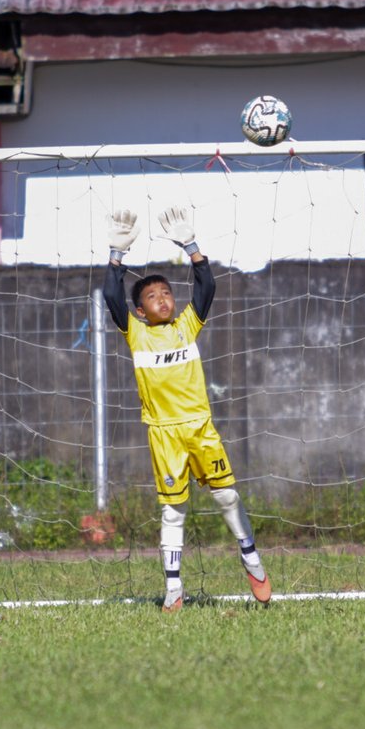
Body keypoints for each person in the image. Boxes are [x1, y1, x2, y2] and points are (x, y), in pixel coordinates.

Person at [104, 207, 270, 612]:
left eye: (166, 293)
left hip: (200, 427)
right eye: (152, 296)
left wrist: (193, 249)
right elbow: (112, 296)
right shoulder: (136, 333)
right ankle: (174, 589)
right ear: (140, 310)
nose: (162, 300)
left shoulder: (186, 326)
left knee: (227, 497)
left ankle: (252, 559)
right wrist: (115, 256)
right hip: (164, 433)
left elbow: (206, 287)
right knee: (173, 510)